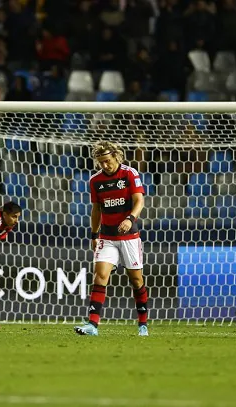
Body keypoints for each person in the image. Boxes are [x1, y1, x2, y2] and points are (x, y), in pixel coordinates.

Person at [74, 141, 148, 336]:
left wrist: (130, 219)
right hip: (107, 236)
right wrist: (93, 233)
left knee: (136, 280)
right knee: (100, 275)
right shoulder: (95, 181)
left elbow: (139, 200)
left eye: (107, 161)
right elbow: (96, 209)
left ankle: (143, 324)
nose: (105, 165)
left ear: (116, 156)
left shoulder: (129, 173)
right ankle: (92, 325)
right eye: (101, 163)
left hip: (129, 236)